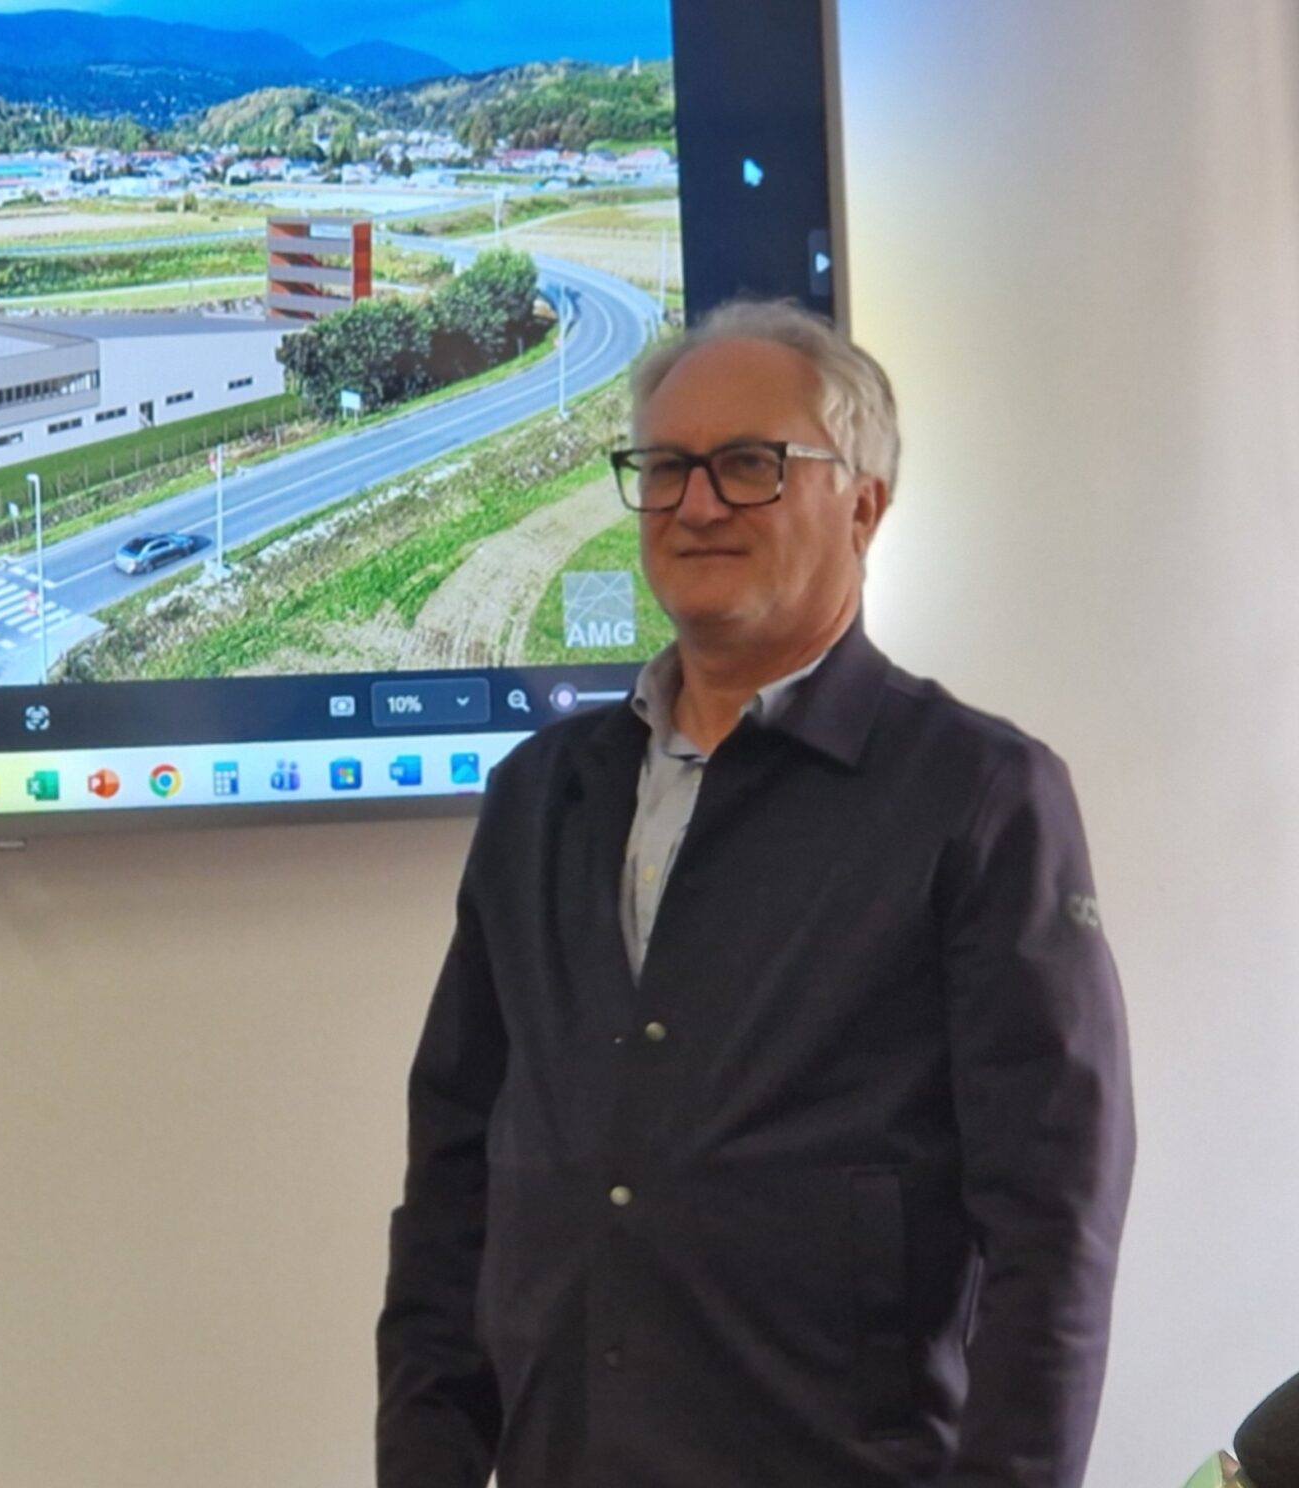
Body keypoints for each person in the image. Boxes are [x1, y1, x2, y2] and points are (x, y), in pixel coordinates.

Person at [376, 300, 1135, 1487]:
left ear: (863, 505)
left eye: (747, 464)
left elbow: (1052, 1223)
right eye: (665, 468)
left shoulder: (977, 795)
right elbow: (452, 1183)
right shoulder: (540, 796)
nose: (695, 505)